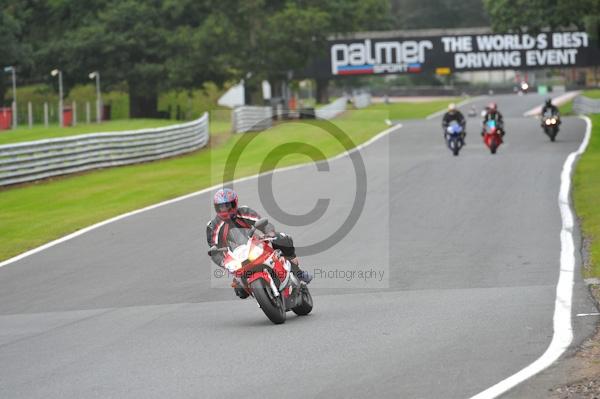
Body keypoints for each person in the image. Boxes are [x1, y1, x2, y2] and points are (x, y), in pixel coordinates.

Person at [207, 188, 312, 299]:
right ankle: (263, 296)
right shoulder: (213, 226)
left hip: (253, 245)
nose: (225, 209)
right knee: (240, 291)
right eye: (221, 207)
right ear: (216, 208)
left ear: (235, 203)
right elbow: (214, 251)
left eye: (228, 205)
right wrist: (224, 263)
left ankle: (298, 273)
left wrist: (270, 233)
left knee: (281, 238)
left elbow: (263, 223)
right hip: (235, 257)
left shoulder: (244, 211)